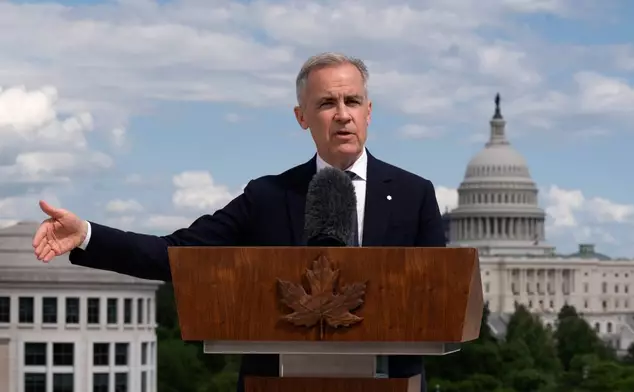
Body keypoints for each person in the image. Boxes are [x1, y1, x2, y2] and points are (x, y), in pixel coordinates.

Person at [32, 52, 446, 392]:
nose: (342, 115)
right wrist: (87, 234)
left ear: (369, 112)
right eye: (326, 103)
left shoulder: (414, 194)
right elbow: (177, 254)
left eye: (352, 102)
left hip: (391, 381)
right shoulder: (267, 196)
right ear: (302, 116)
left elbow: (438, 295)